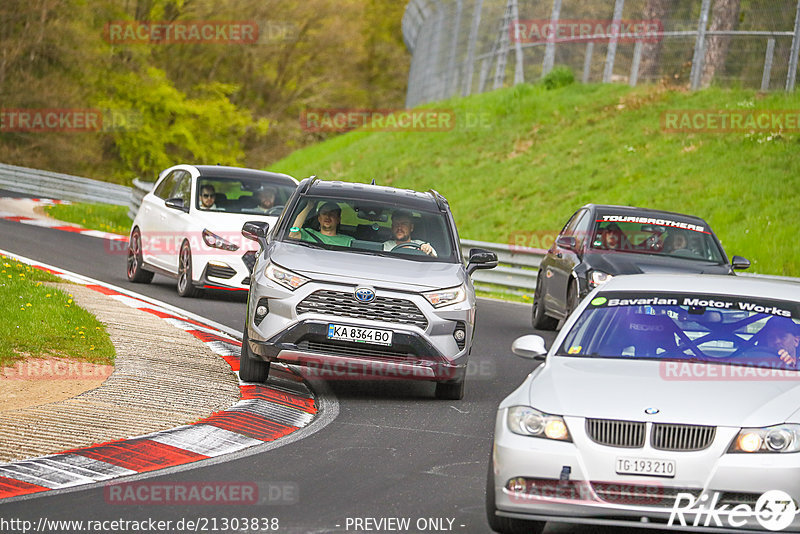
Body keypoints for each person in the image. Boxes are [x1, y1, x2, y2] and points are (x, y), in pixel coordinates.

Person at [288, 201, 354, 247]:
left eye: (332, 214)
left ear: (338, 219)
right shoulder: (308, 233)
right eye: (324, 213)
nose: (327, 216)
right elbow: (292, 235)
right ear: (319, 218)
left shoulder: (349, 241)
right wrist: (308, 207)